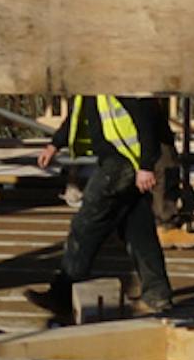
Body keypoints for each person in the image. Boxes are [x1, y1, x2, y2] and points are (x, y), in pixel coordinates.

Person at [37, 90, 175, 315]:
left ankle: (61, 294)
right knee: (138, 231)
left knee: (86, 225)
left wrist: (146, 166)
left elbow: (146, 117)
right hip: (121, 161)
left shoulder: (121, 78)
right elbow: (78, 114)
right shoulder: (92, 80)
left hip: (122, 162)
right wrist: (55, 144)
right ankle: (158, 295)